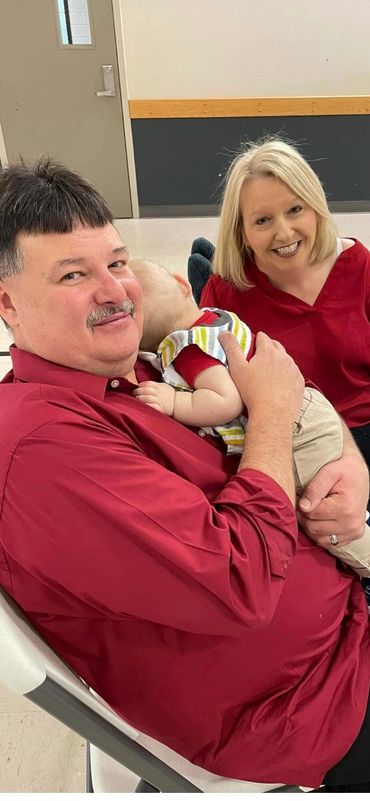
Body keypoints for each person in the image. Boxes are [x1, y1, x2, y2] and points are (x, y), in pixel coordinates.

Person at [0, 159, 369, 793]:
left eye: (117, 263)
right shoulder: (42, 448)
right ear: (6, 303)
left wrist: (349, 469)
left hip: (342, 610)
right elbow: (240, 579)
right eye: (72, 274)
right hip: (313, 706)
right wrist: (276, 416)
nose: (114, 291)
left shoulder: (134, 368)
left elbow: (296, 401)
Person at [131, 258, 370, 577]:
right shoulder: (216, 318)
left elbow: (224, 401)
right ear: (184, 283)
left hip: (294, 432)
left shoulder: (187, 350)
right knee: (343, 493)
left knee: (322, 515)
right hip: (310, 405)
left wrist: (174, 401)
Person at [195, 138, 370, 472]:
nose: (284, 233)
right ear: (241, 231)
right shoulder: (226, 292)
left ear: (316, 207)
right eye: (263, 221)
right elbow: (211, 384)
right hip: (283, 440)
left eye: (295, 210)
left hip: (361, 432)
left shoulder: (359, 266)